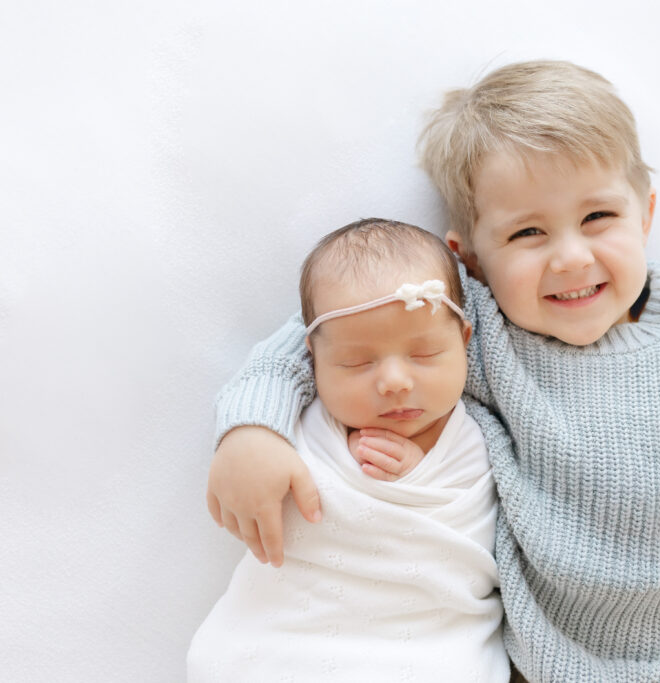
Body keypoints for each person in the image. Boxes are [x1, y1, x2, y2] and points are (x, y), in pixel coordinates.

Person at [207, 61, 660, 681]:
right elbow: (323, 333)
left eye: (598, 217)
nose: (571, 258)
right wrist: (253, 427)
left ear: (644, 214)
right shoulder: (477, 337)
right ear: (469, 259)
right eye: (528, 233)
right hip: (557, 663)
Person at [189, 219, 509, 682]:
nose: (395, 382)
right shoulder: (298, 422)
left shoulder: (481, 440)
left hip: (431, 644)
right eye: (357, 362)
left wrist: (421, 472)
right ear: (313, 358)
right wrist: (249, 437)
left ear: (463, 340)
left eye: (424, 355)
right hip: (287, 638)